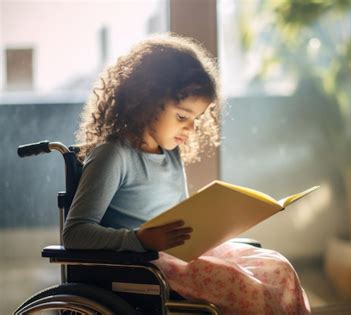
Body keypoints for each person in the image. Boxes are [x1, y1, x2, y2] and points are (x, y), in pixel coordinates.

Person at [63, 33, 311, 315]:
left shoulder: (170, 153)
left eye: (196, 119)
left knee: (279, 269)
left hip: (183, 255)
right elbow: (75, 233)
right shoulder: (113, 154)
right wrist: (140, 239)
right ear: (144, 101)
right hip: (144, 264)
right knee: (249, 290)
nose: (191, 129)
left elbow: (181, 214)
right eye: (183, 117)